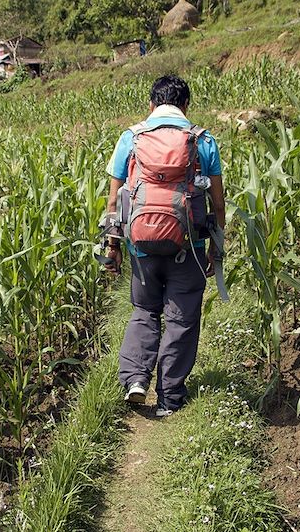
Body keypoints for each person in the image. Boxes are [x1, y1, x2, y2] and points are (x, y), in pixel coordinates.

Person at [103, 75, 226, 417]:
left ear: (152, 104)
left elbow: (114, 200)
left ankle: (135, 380)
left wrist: (112, 246)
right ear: (186, 105)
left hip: (141, 246)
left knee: (144, 311)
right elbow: (217, 202)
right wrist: (217, 244)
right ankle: (170, 398)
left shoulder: (131, 137)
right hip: (189, 244)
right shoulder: (203, 141)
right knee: (182, 318)